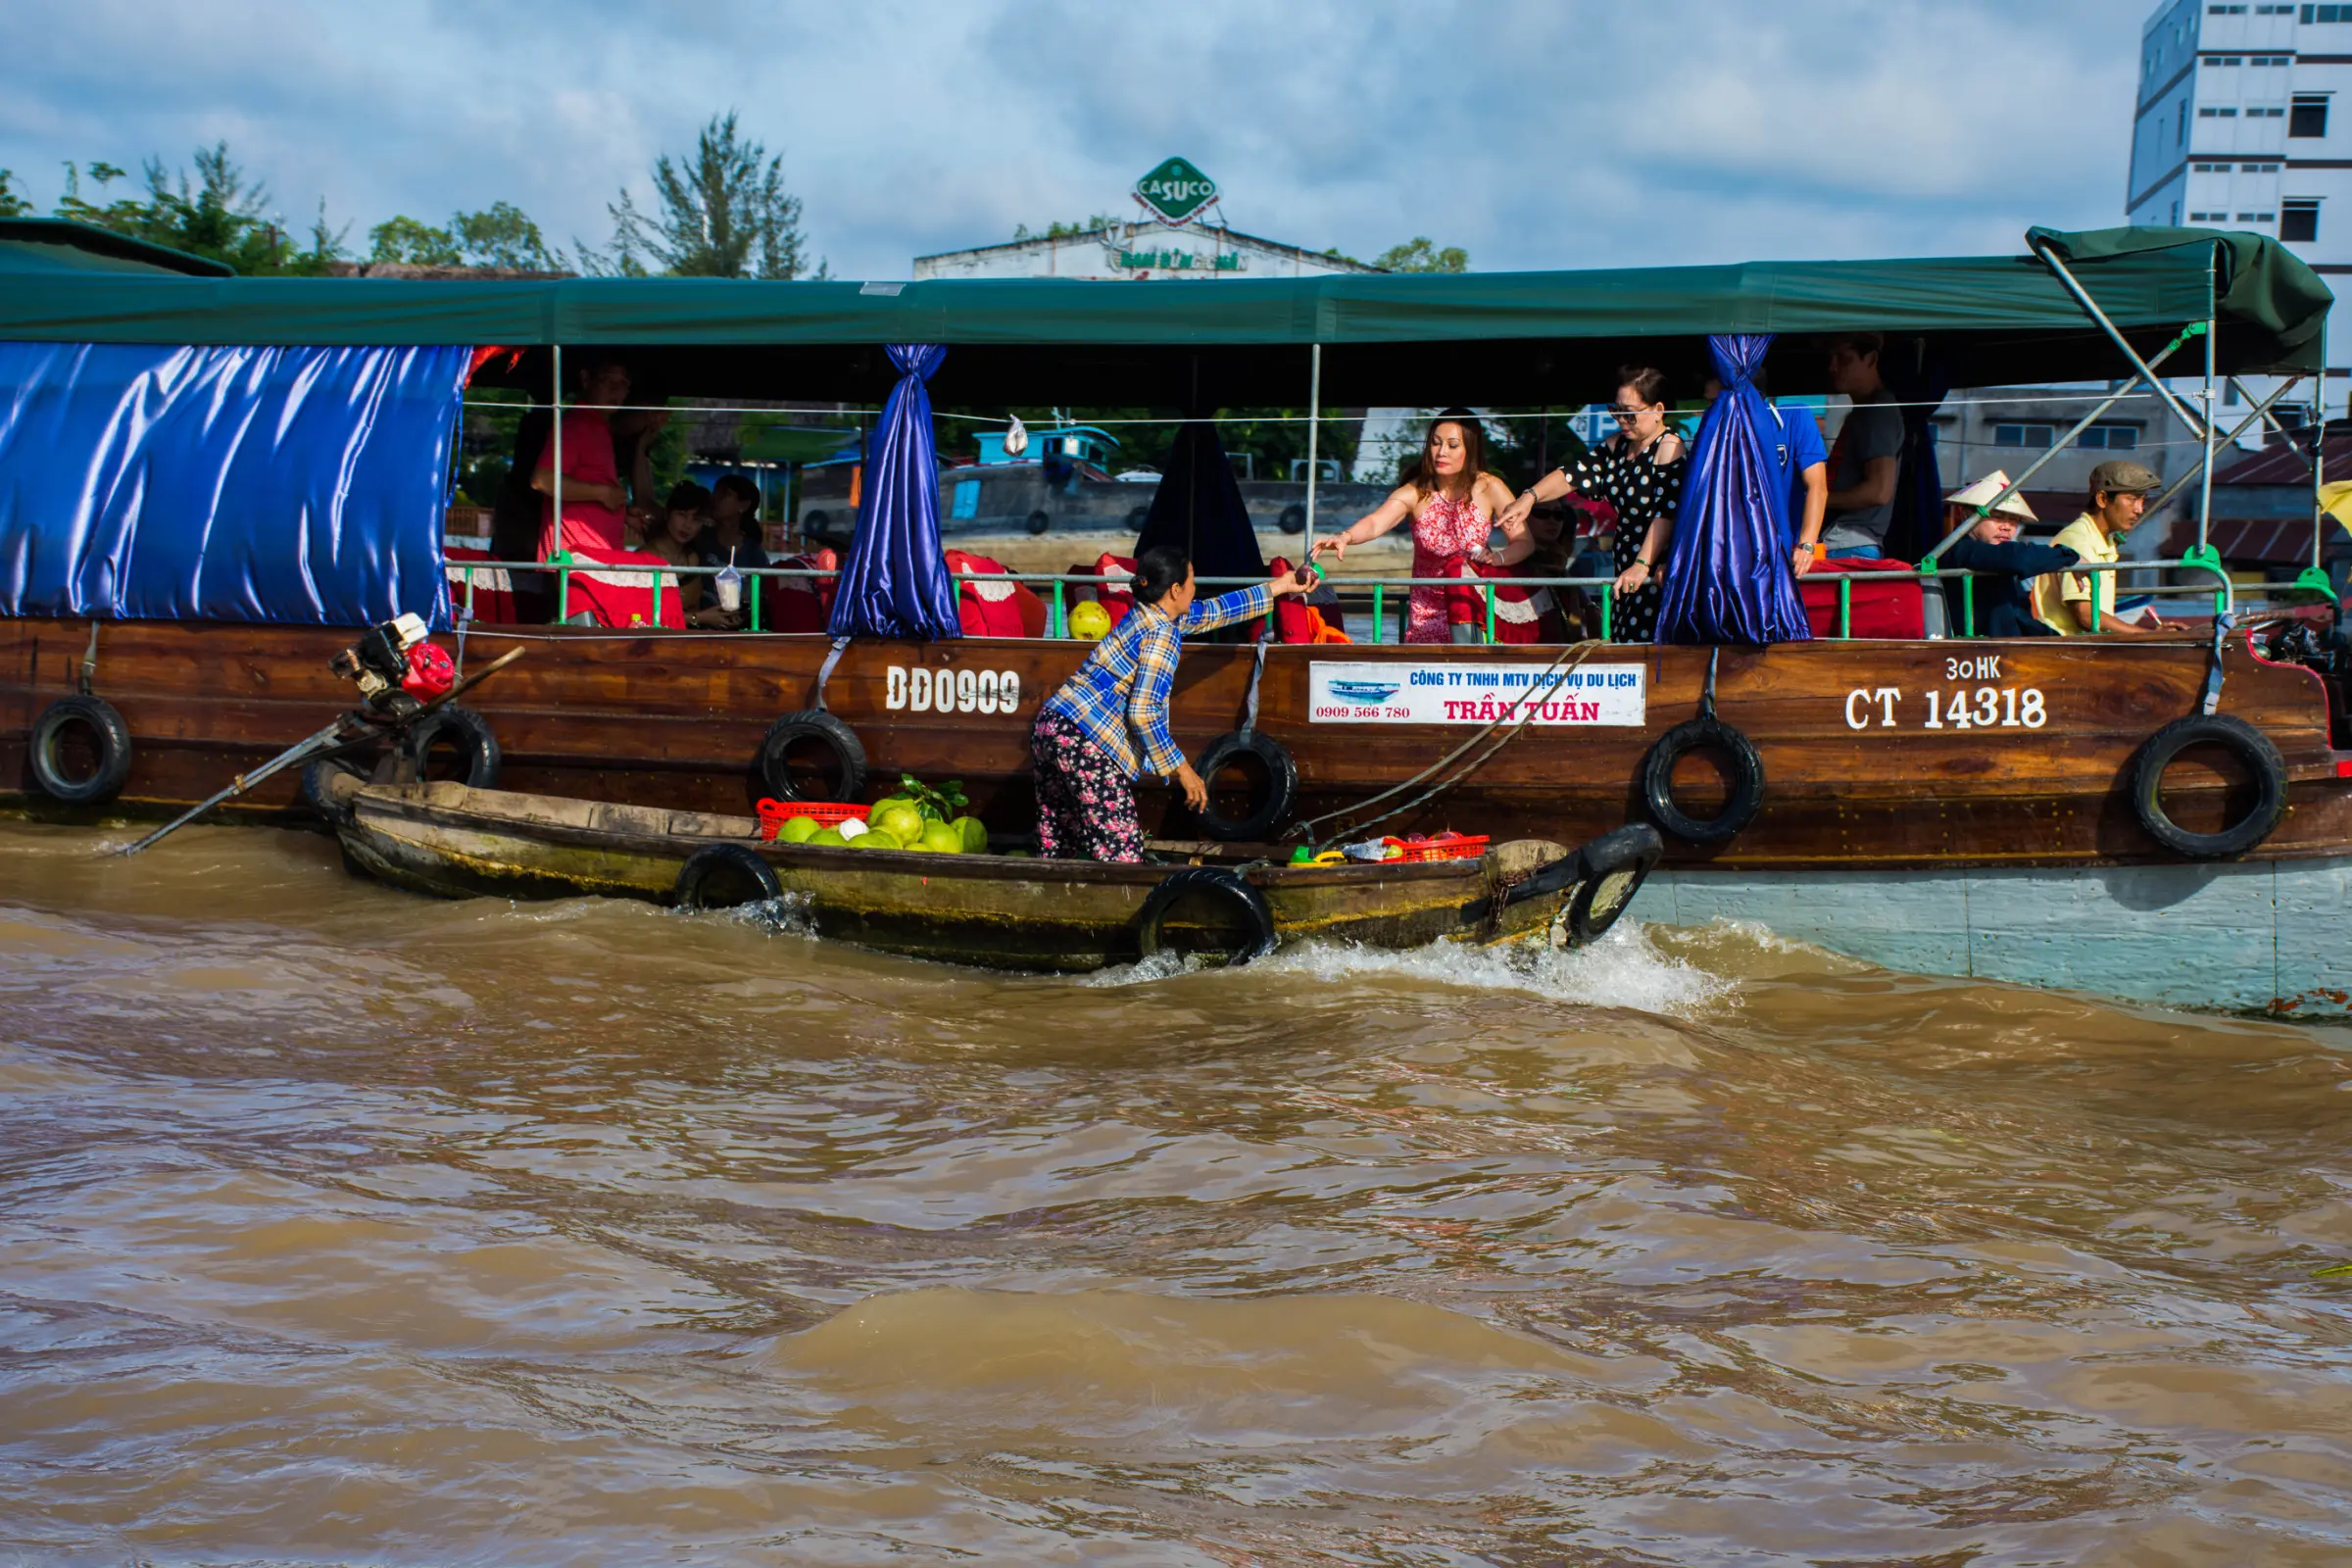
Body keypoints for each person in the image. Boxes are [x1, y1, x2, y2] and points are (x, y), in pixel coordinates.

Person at [1030, 546, 1315, 861]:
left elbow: (1214, 611)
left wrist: (1282, 585)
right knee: (1120, 852)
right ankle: (1120, 906)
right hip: (1084, 741)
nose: (1196, 588)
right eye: (1192, 581)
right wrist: (1185, 771)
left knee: (1060, 842)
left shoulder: (1145, 613)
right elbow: (1142, 713)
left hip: (1052, 726)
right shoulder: (1162, 633)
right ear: (1176, 589)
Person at [1494, 368, 1685, 642]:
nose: (1621, 420)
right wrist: (1529, 498)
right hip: (1626, 567)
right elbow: (1574, 474)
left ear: (1658, 410)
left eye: (1629, 413)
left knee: (1652, 653)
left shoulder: (1670, 446)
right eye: (1615, 411)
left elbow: (1666, 513)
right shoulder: (1616, 445)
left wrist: (1642, 564)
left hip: (1656, 569)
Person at [1310, 412, 1516, 644]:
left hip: (1476, 616)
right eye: (1436, 443)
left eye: (1452, 445)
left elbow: (1523, 541)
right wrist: (1345, 536)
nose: (1441, 452)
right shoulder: (1415, 492)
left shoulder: (1490, 487)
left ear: (1471, 449)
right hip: (1426, 622)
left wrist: (1498, 558)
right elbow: (1377, 522)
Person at [1934, 471, 2079, 638]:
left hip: (2006, 652)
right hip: (1979, 657)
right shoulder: (1959, 550)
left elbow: (2021, 619)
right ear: (1966, 515)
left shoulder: (2000, 561)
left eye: (2014, 520)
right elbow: (2019, 558)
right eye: (1996, 516)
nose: (2007, 527)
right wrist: (2069, 556)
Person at [2032, 460, 2165, 636]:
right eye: (2132, 500)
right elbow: (2086, 616)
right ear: (2102, 499)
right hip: (2065, 650)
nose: (2139, 509)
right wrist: (2148, 636)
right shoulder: (2078, 540)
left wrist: (2153, 633)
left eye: (2143, 501)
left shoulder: (2102, 540)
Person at [530, 354, 637, 559]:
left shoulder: (598, 427)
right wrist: (603, 493)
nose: (616, 390)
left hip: (594, 558)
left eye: (623, 384)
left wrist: (621, 510)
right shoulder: (576, 425)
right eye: (608, 380)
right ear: (586, 379)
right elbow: (542, 479)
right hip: (575, 561)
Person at [1819, 333, 1905, 561]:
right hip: (1843, 541)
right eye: (1831, 358)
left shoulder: (1878, 411)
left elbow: (1879, 491)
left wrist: (1816, 498)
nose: (1832, 367)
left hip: (1849, 544)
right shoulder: (1865, 411)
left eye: (1844, 358)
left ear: (1871, 359)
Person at [644, 481, 740, 629]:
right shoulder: (646, 558)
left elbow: (694, 608)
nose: (687, 525)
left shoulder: (693, 559)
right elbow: (641, 615)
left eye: (696, 519)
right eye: (682, 515)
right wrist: (701, 618)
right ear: (667, 514)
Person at [700, 473, 772, 573]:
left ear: (744, 505)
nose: (715, 498)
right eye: (716, 492)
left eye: (724, 493)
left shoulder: (754, 554)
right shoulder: (700, 537)